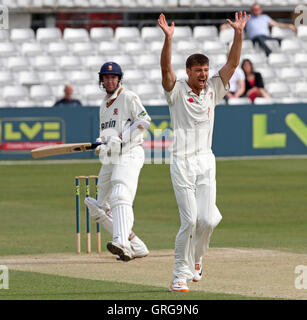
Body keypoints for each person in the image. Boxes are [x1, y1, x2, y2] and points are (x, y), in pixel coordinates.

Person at [158, 11, 250, 292]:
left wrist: (238, 33)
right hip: (182, 162)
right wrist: (168, 39)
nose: (203, 74)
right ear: (189, 72)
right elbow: (165, 72)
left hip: (205, 162)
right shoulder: (176, 90)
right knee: (190, 220)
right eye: (198, 71)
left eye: (206, 70)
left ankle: (197, 258)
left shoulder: (214, 88)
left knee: (208, 220)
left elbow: (234, 63)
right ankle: (178, 275)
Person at [84, 61, 151, 261]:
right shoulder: (103, 105)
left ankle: (121, 242)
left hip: (130, 152)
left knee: (120, 193)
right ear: (101, 80)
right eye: (106, 77)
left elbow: (144, 121)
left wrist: (122, 139)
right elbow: (106, 135)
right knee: (98, 207)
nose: (110, 80)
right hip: (111, 158)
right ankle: (136, 246)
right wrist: (101, 143)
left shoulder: (128, 97)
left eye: (113, 77)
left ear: (119, 79)